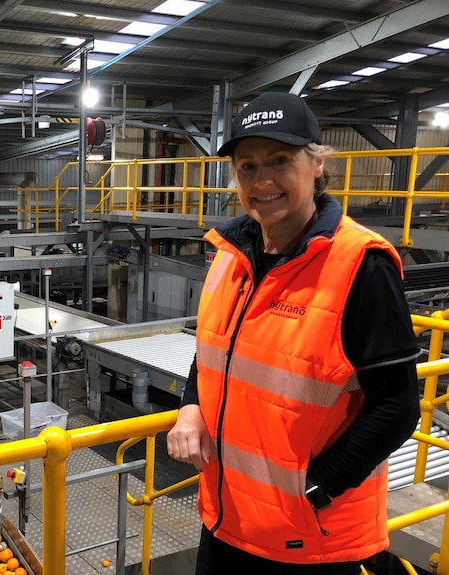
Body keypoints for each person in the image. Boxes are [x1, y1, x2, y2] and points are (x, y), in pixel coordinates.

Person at [165, 91, 421, 574]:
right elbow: (211, 356)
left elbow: (397, 406)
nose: (262, 181)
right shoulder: (229, 256)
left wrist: (313, 489)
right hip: (226, 519)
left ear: (317, 164)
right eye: (247, 166)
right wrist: (190, 408)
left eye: (280, 160)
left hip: (310, 541)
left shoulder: (360, 265)